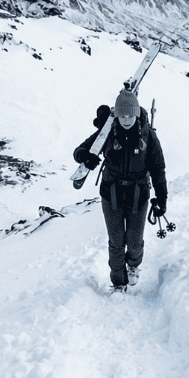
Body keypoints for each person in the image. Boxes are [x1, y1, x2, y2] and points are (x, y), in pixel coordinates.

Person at [73, 88, 167, 291]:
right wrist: (86, 157)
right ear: (116, 115)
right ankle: (118, 283)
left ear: (136, 113)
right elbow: (79, 150)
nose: (126, 119)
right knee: (116, 241)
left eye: (130, 115)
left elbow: (158, 169)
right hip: (111, 194)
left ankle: (133, 265)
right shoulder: (107, 132)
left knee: (134, 241)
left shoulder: (147, 135)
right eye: (122, 115)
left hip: (139, 194)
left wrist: (162, 200)